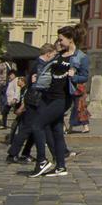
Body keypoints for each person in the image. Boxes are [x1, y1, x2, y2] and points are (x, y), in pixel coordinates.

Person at [29, 38, 74, 177]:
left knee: (37, 125)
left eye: (61, 39)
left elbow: (82, 76)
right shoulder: (57, 58)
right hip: (49, 97)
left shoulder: (75, 58)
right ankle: (60, 166)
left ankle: (42, 160)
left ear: (70, 39)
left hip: (60, 99)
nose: (59, 42)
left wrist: (74, 75)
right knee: (56, 132)